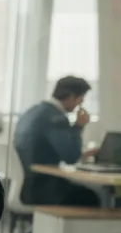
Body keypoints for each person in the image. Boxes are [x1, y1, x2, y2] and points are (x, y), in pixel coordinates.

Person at [12, 75, 97, 206]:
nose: (80, 104)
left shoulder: (33, 111)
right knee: (92, 197)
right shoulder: (56, 118)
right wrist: (78, 127)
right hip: (45, 191)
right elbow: (71, 158)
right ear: (71, 96)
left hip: (29, 187)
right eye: (81, 99)